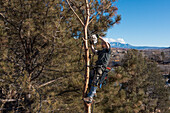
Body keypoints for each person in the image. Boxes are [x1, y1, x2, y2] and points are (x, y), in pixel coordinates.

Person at [83, 34, 111, 103]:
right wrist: (91, 44)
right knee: (90, 78)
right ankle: (93, 92)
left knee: (95, 81)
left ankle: (90, 97)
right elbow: (94, 51)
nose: (102, 44)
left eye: (103, 43)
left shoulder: (108, 51)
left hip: (101, 68)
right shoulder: (101, 51)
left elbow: (106, 44)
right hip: (97, 67)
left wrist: (99, 37)